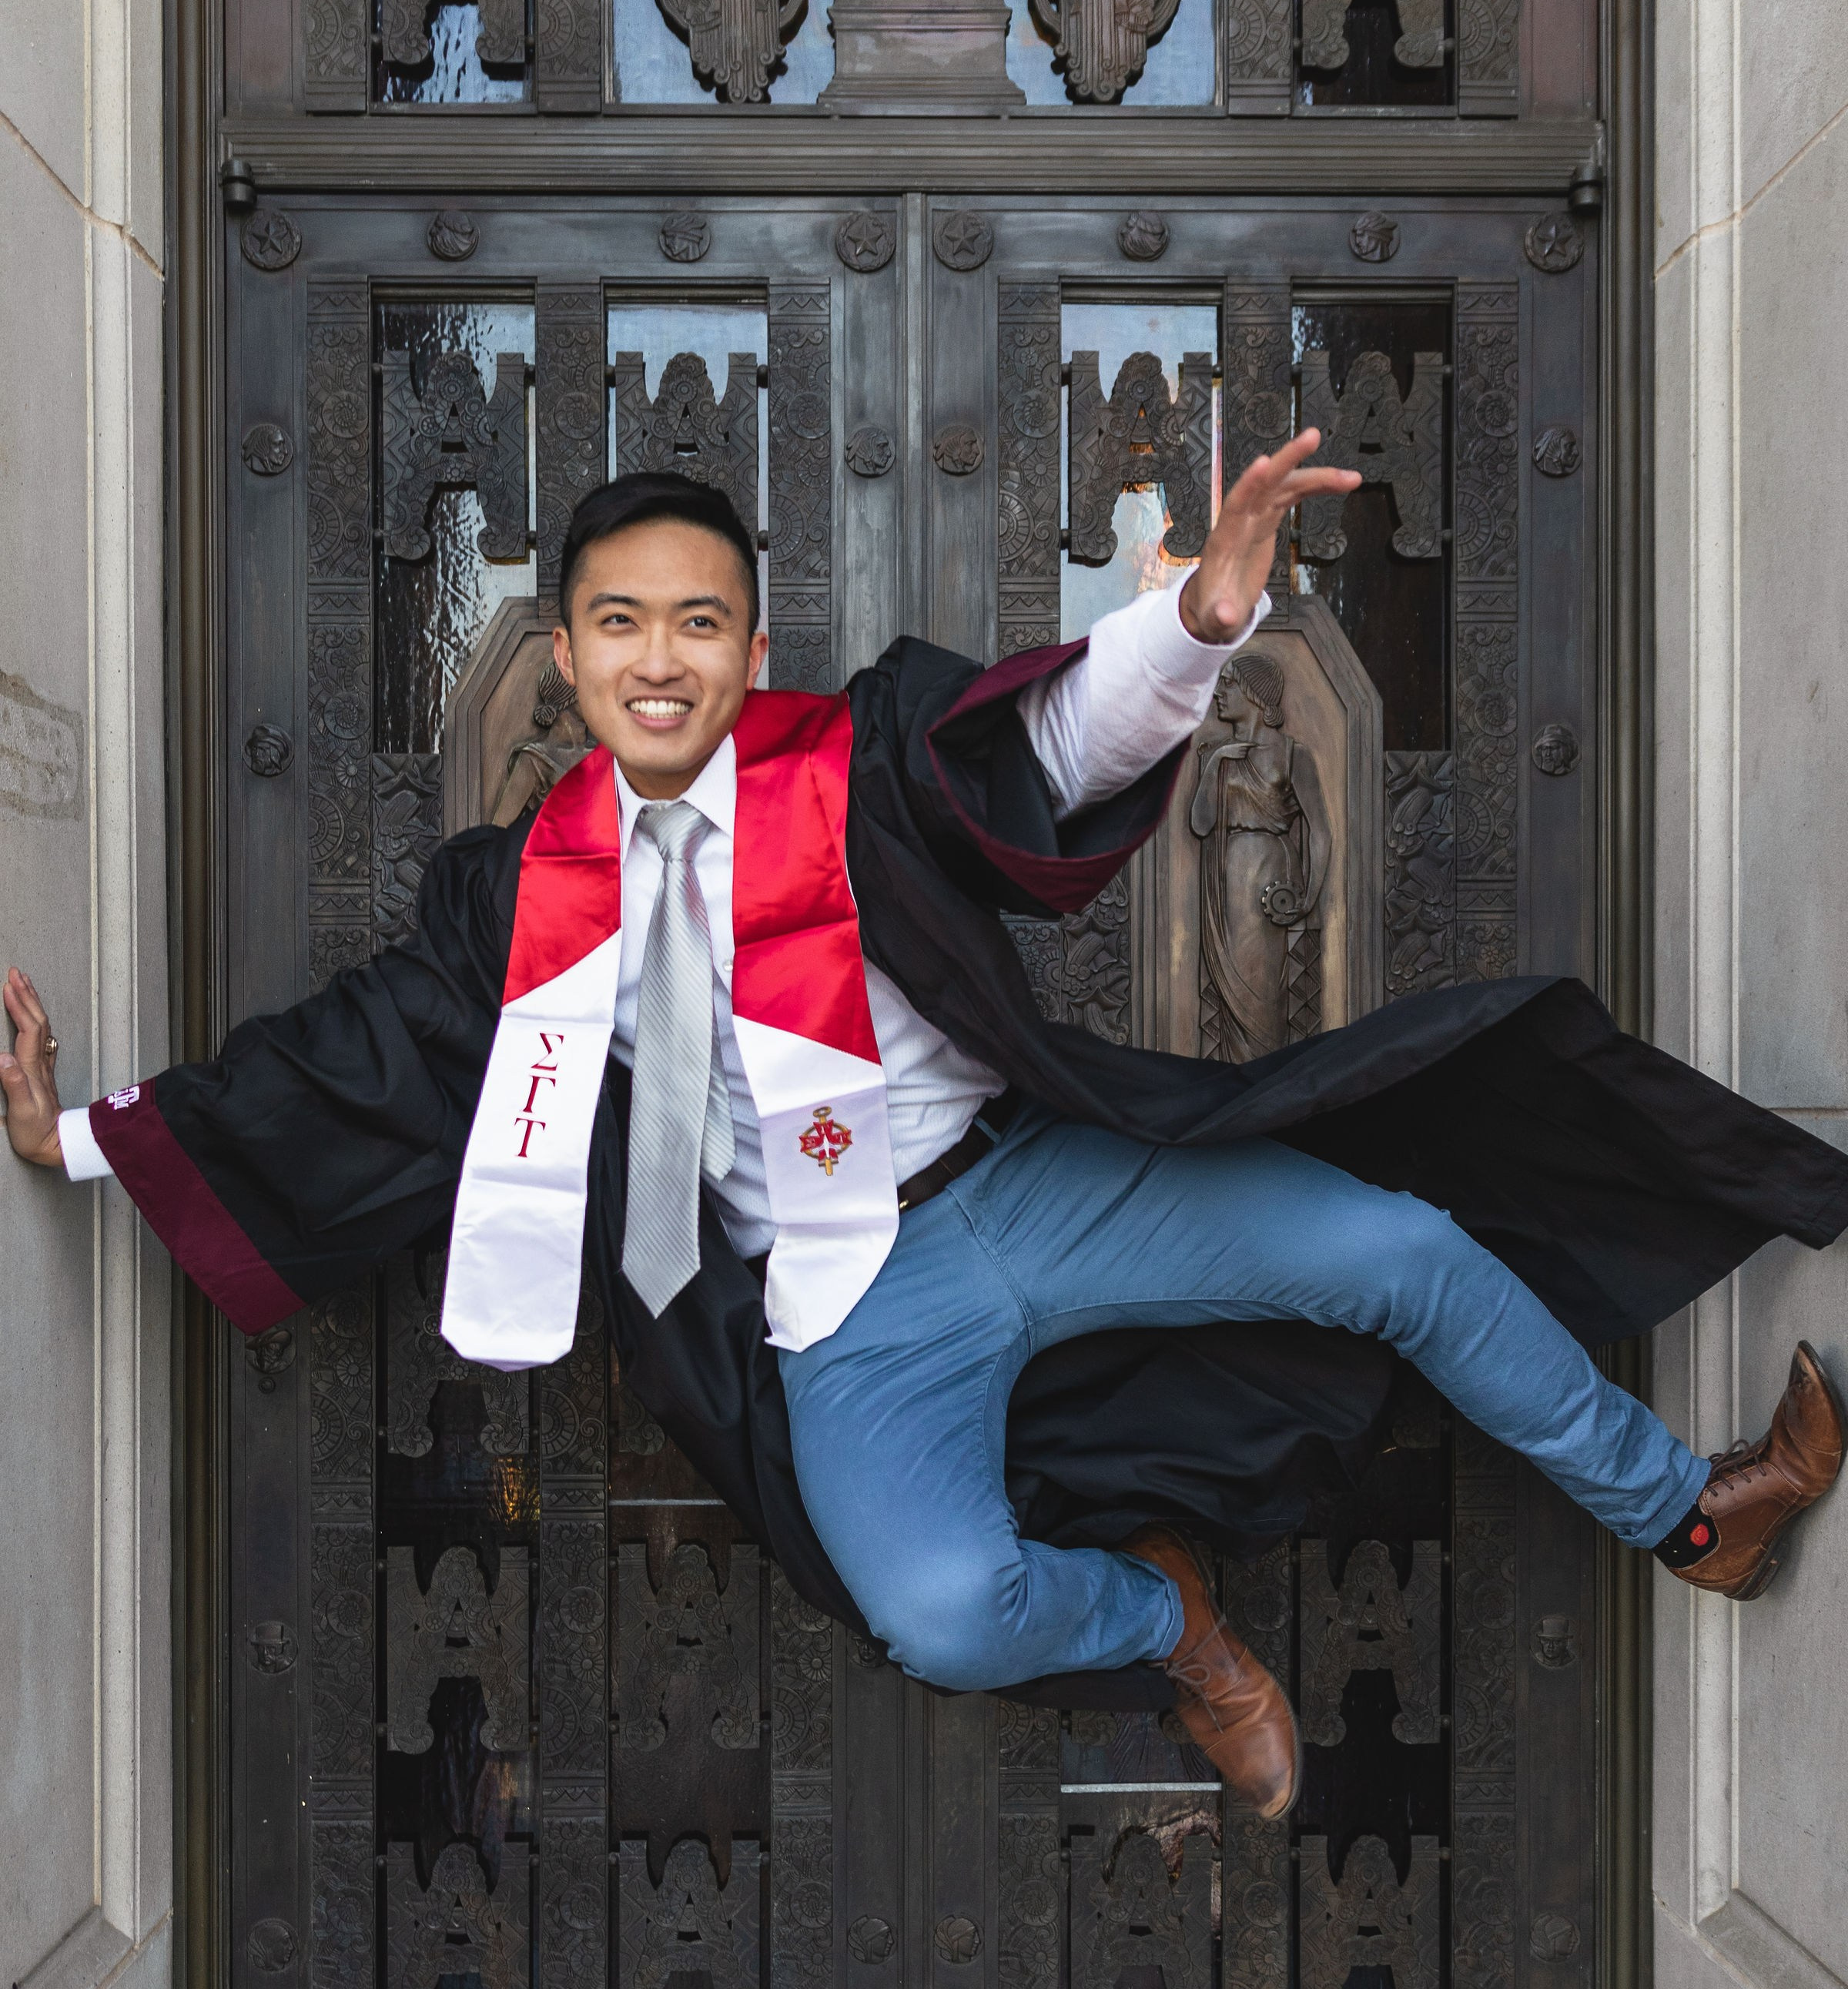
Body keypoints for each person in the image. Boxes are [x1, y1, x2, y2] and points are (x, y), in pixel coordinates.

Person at [5, 435, 1845, 1822]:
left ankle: (1684, 1514)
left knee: (1400, 1252)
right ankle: (1174, 1631)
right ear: (564, 655)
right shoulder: (511, 904)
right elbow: (343, 1063)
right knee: (950, 1613)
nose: (663, 658)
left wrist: (1200, 617)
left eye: (699, 621)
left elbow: (1046, 755)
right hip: (847, 1305)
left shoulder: (852, 756)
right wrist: (82, 1140)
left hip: (1043, 1188)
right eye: (621, 624)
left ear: (749, 641)